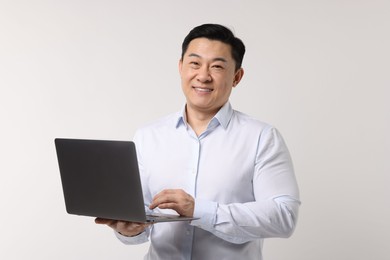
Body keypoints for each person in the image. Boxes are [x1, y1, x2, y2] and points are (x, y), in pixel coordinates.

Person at [95, 23, 300, 260]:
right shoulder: (147, 136)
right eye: (194, 63)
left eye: (217, 66)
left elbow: (285, 216)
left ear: (237, 77)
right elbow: (139, 221)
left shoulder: (262, 137)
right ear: (181, 67)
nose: (203, 76)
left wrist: (199, 210)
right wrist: (128, 231)